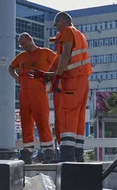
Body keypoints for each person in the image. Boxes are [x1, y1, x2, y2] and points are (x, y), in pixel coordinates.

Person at [39, 11, 93, 162]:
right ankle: (78, 154)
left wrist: (56, 76)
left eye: (56, 25)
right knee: (78, 117)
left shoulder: (68, 32)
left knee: (68, 115)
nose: (56, 29)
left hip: (72, 80)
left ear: (62, 21)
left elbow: (66, 56)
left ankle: (68, 154)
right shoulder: (80, 35)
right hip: (82, 80)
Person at [8, 32, 58, 163]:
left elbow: (58, 65)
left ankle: (48, 150)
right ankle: (27, 152)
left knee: (42, 121)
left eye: (23, 43)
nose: (22, 46)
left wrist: (49, 76)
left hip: (39, 94)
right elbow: (10, 68)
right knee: (26, 123)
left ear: (30, 39)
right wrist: (16, 77)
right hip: (24, 95)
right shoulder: (21, 57)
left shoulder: (45, 53)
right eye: (20, 44)